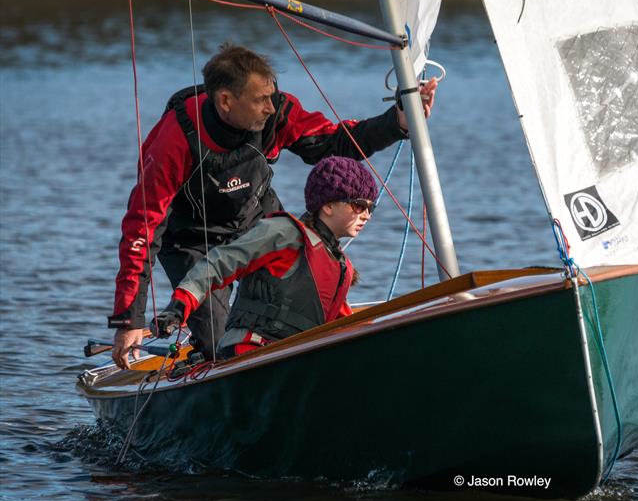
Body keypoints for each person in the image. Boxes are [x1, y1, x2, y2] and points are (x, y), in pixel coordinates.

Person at [110, 43, 436, 369]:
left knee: (306, 310)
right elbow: (142, 229)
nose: (269, 106)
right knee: (218, 342)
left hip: (257, 219)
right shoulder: (174, 139)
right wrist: (129, 319)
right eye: (259, 100)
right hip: (192, 239)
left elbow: (334, 142)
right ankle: (202, 358)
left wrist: (399, 122)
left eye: (271, 95)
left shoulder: (278, 111)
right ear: (225, 101)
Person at [148, 156, 377, 360]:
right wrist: (178, 308)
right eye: (359, 205)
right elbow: (219, 263)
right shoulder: (284, 233)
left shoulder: (342, 267)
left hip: (295, 357)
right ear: (327, 206)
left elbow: (344, 326)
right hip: (251, 353)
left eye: (371, 208)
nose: (366, 215)